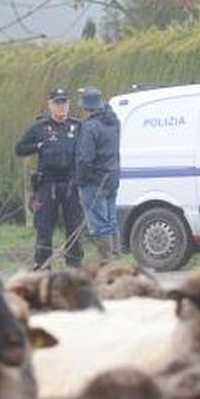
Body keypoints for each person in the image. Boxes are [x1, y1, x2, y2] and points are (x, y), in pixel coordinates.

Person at [14, 88, 84, 269]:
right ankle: (43, 265)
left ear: (69, 105)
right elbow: (19, 149)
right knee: (44, 228)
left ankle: (74, 265)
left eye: (64, 103)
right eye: (57, 103)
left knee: (74, 227)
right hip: (48, 185)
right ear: (50, 105)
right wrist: (37, 146)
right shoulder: (40, 128)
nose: (61, 107)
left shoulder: (77, 127)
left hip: (71, 185)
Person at [75, 87, 121, 261]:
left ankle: (106, 262)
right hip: (112, 179)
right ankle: (116, 261)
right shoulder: (114, 122)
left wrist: (80, 181)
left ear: (85, 108)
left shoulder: (90, 127)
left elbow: (84, 159)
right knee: (111, 221)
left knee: (99, 225)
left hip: (94, 182)